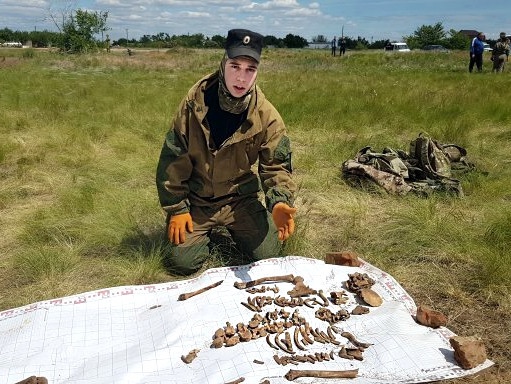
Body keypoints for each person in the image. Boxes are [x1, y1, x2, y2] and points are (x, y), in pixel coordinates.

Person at [156, 29, 297, 276]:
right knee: (180, 262)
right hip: (198, 199)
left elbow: (276, 166)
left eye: (249, 69)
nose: (241, 77)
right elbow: (173, 158)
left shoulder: (266, 115)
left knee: (269, 255)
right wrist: (177, 208)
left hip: (238, 200)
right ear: (223, 64)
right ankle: (206, 236)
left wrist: (279, 201)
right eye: (235, 66)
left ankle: (236, 228)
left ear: (257, 73)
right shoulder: (194, 104)